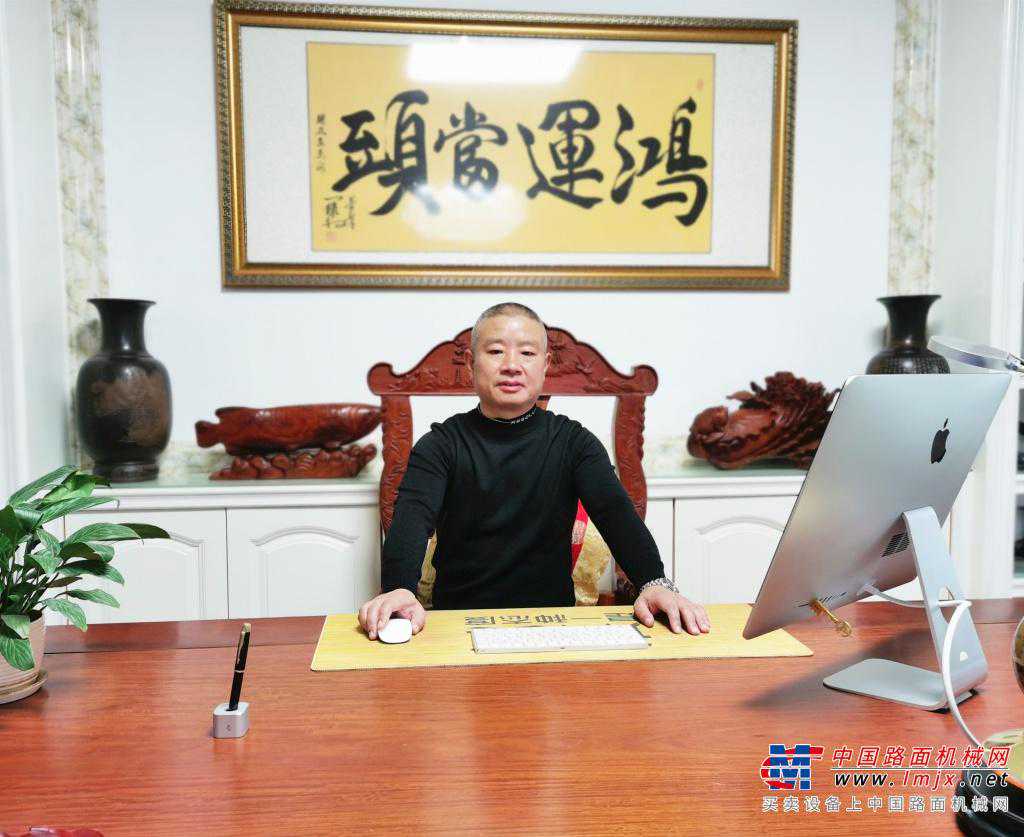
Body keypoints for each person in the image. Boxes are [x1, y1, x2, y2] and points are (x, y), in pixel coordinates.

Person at [358, 303, 711, 639]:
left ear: (545, 365)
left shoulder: (574, 443)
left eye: (527, 353)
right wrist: (399, 589)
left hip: (552, 623)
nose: (511, 365)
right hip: (459, 623)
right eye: (496, 351)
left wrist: (654, 582)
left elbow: (616, 515)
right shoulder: (441, 444)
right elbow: (412, 518)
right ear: (470, 363)